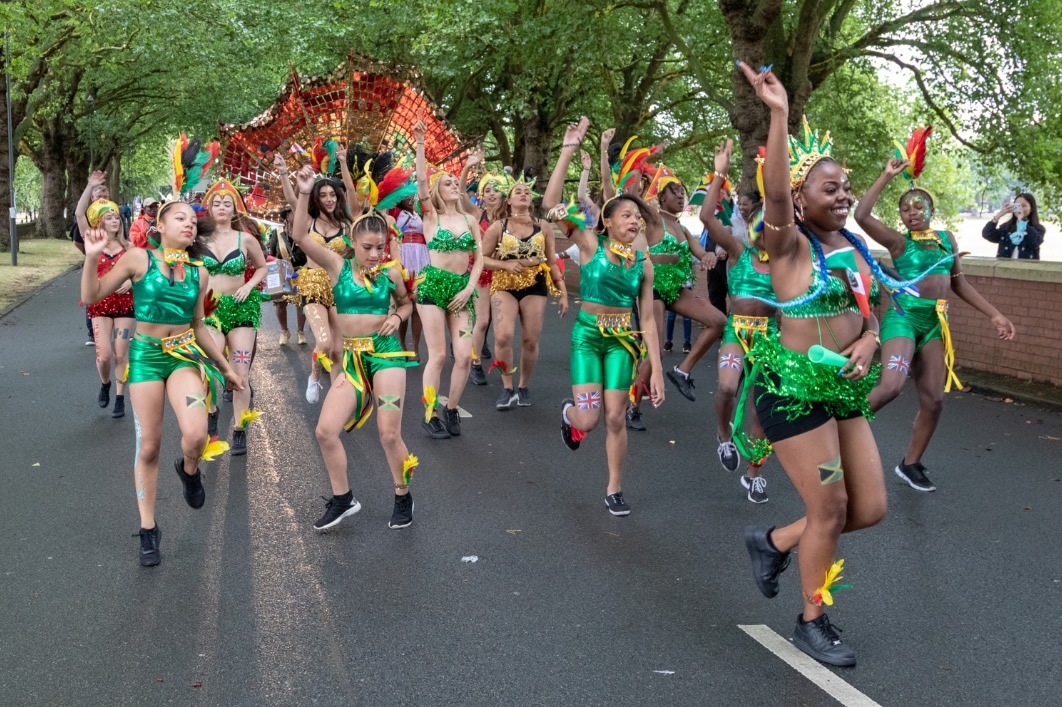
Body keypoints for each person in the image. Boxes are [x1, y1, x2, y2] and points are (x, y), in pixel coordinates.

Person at [735, 60, 924, 666]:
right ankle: (812, 618)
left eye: (846, 187)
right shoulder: (786, 242)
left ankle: (774, 540)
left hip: (841, 389)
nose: (842, 195)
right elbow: (775, 193)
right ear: (800, 197)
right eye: (829, 188)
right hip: (792, 391)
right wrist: (780, 115)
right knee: (831, 507)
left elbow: (872, 307)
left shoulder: (855, 247)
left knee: (868, 508)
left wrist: (870, 336)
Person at [81, 200, 242, 566]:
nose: (189, 224)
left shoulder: (199, 273)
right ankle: (148, 528)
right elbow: (92, 295)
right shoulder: (140, 259)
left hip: (184, 356)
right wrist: (91, 257)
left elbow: (199, 326)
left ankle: (189, 470)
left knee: (198, 434)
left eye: (191, 219)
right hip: (146, 359)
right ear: (160, 225)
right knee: (150, 446)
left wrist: (225, 367)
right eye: (179, 218)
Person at [856, 151, 1015, 491]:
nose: (911, 212)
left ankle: (910, 464)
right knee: (891, 387)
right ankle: (838, 430)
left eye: (918, 206)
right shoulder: (899, 242)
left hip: (935, 325)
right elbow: (861, 215)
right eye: (905, 209)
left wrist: (995, 314)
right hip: (903, 319)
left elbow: (959, 283)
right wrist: (885, 176)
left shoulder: (947, 241)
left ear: (931, 209)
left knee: (935, 401)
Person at [546, 117, 665, 517]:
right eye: (626, 215)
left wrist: (658, 371)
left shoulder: (642, 265)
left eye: (638, 217)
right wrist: (567, 151)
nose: (634, 220)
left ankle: (614, 487)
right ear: (608, 222)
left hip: (622, 342)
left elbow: (647, 320)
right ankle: (569, 414)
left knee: (617, 416)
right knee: (591, 419)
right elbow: (549, 207)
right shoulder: (589, 243)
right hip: (587, 338)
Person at [290, 165, 420, 531]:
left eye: (381, 247)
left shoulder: (392, 273)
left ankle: (402, 493)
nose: (376, 254)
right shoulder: (337, 266)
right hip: (351, 359)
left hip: (387, 355)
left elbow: (406, 302)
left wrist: (400, 316)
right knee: (325, 431)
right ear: (353, 241)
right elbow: (300, 234)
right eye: (368, 247)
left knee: (389, 432)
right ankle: (344, 498)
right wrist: (303, 193)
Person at [699, 153, 775, 503]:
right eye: (759, 223)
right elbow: (705, 217)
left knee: (760, 404)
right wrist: (719, 174)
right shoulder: (739, 250)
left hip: (768, 337)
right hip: (737, 331)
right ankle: (723, 435)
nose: (765, 231)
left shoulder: (786, 265)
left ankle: (755, 469)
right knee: (727, 388)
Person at [413, 119, 484, 439]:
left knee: (465, 354)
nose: (454, 185)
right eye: (448, 183)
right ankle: (429, 414)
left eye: (457, 182)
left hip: (461, 288)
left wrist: (470, 286)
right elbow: (420, 182)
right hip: (432, 287)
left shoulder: (470, 219)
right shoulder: (432, 216)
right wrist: (420, 143)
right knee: (439, 355)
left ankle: (451, 408)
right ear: (438, 192)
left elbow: (480, 256)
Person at [481, 175, 568, 408]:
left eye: (527, 192)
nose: (523, 194)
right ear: (508, 200)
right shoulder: (498, 227)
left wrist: (563, 293)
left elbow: (551, 261)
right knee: (503, 335)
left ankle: (523, 386)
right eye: (517, 191)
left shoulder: (544, 226)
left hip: (535, 284)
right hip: (504, 284)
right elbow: (482, 258)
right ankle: (507, 387)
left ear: (531, 201)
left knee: (530, 340)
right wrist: (505, 264)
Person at [198, 179, 268, 455]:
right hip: (210, 310)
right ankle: (211, 411)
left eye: (227, 203)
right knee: (207, 369)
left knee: (241, 372)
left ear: (235, 208)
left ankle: (240, 428)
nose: (222, 206)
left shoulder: (246, 239)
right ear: (210, 207)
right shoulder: (198, 239)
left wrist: (249, 285)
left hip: (241, 309)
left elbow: (262, 267)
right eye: (217, 202)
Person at [275, 153, 352, 403]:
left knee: (340, 349)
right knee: (324, 341)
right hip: (313, 284)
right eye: (323, 195)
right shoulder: (307, 219)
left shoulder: (347, 226)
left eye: (332, 194)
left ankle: (336, 399)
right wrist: (286, 174)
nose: (328, 199)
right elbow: (291, 198)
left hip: (339, 288)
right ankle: (315, 376)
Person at [75, 171, 135, 419]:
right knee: (104, 357)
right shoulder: (92, 240)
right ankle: (106, 383)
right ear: (98, 222)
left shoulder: (130, 247)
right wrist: (90, 186)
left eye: (116, 217)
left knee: (121, 352)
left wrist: (131, 281)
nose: (115, 220)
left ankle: (120, 397)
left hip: (125, 306)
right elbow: (80, 213)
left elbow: (142, 271)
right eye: (109, 217)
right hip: (100, 305)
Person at [266, 207, 308, 346]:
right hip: (281, 272)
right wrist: (278, 261)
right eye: (292, 213)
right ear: (287, 216)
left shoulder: (305, 233)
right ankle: (284, 331)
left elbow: (306, 255)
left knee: (301, 303)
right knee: (280, 304)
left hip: (300, 271)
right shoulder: (277, 233)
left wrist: (292, 261)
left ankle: (300, 332)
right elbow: (270, 253)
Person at [982, 193, 1044, 260]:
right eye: (1017, 206)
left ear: (1031, 208)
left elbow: (1035, 242)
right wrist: (998, 215)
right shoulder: (1006, 227)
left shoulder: (1038, 228)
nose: (1020, 209)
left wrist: (1022, 221)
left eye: (1024, 206)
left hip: (1027, 267)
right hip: (1005, 266)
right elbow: (987, 234)